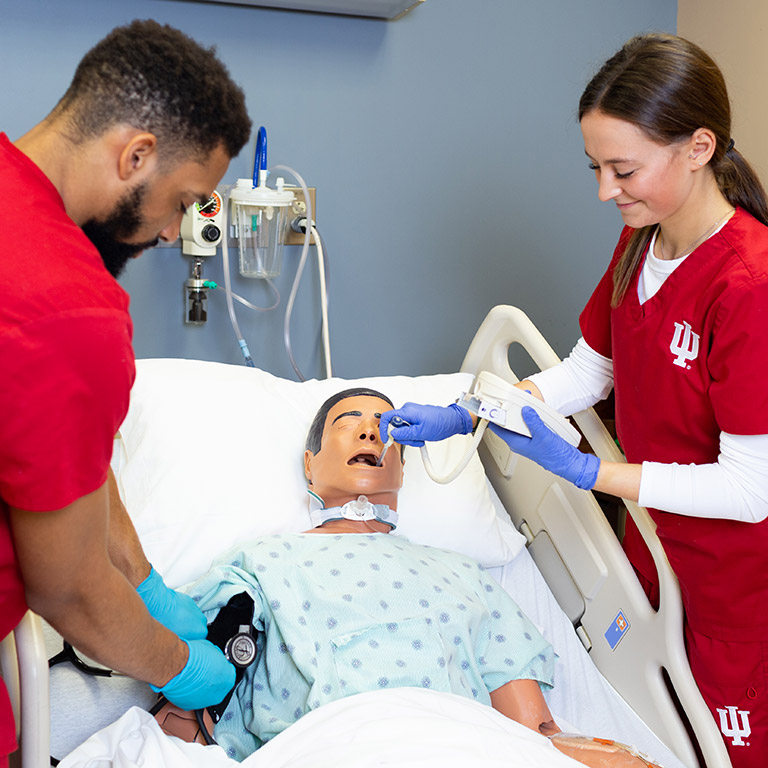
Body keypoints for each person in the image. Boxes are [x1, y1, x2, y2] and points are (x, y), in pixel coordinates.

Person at [379, 33, 768, 768]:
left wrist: (594, 474)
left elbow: (752, 489)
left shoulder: (748, 286)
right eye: (595, 168)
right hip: (654, 560)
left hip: (735, 587)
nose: (603, 191)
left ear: (698, 147)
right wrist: (476, 411)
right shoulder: (641, 244)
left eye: (624, 170)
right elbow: (590, 372)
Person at [0, 19, 253, 764]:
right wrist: (186, 669)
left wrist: (142, 582)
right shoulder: (71, 307)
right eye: (183, 201)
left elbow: (47, 440)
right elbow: (70, 590)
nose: (175, 233)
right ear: (136, 155)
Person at [185, 388, 662, 767]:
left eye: (383, 426)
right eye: (348, 422)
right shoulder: (264, 563)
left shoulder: (461, 574)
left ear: (404, 465)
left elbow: (537, 736)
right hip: (329, 746)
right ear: (310, 465)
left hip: (463, 746)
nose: (370, 434)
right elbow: (190, 711)